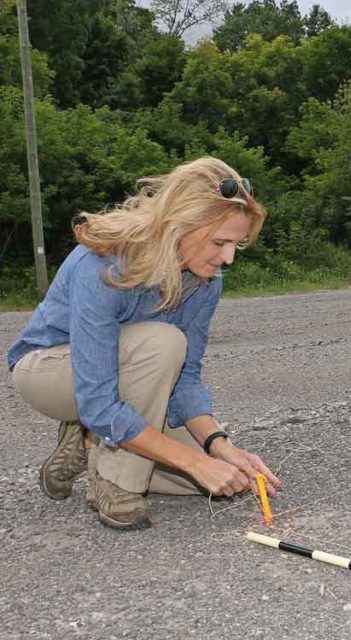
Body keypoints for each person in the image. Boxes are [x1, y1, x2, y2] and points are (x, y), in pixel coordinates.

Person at [7, 156, 282, 530]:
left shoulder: (206, 280)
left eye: (235, 244)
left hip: (121, 379)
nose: (228, 258)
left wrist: (219, 445)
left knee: (221, 479)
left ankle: (93, 445)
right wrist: (195, 462)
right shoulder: (104, 262)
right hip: (50, 372)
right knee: (163, 343)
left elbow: (184, 381)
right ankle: (115, 480)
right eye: (220, 242)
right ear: (180, 225)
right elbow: (99, 399)